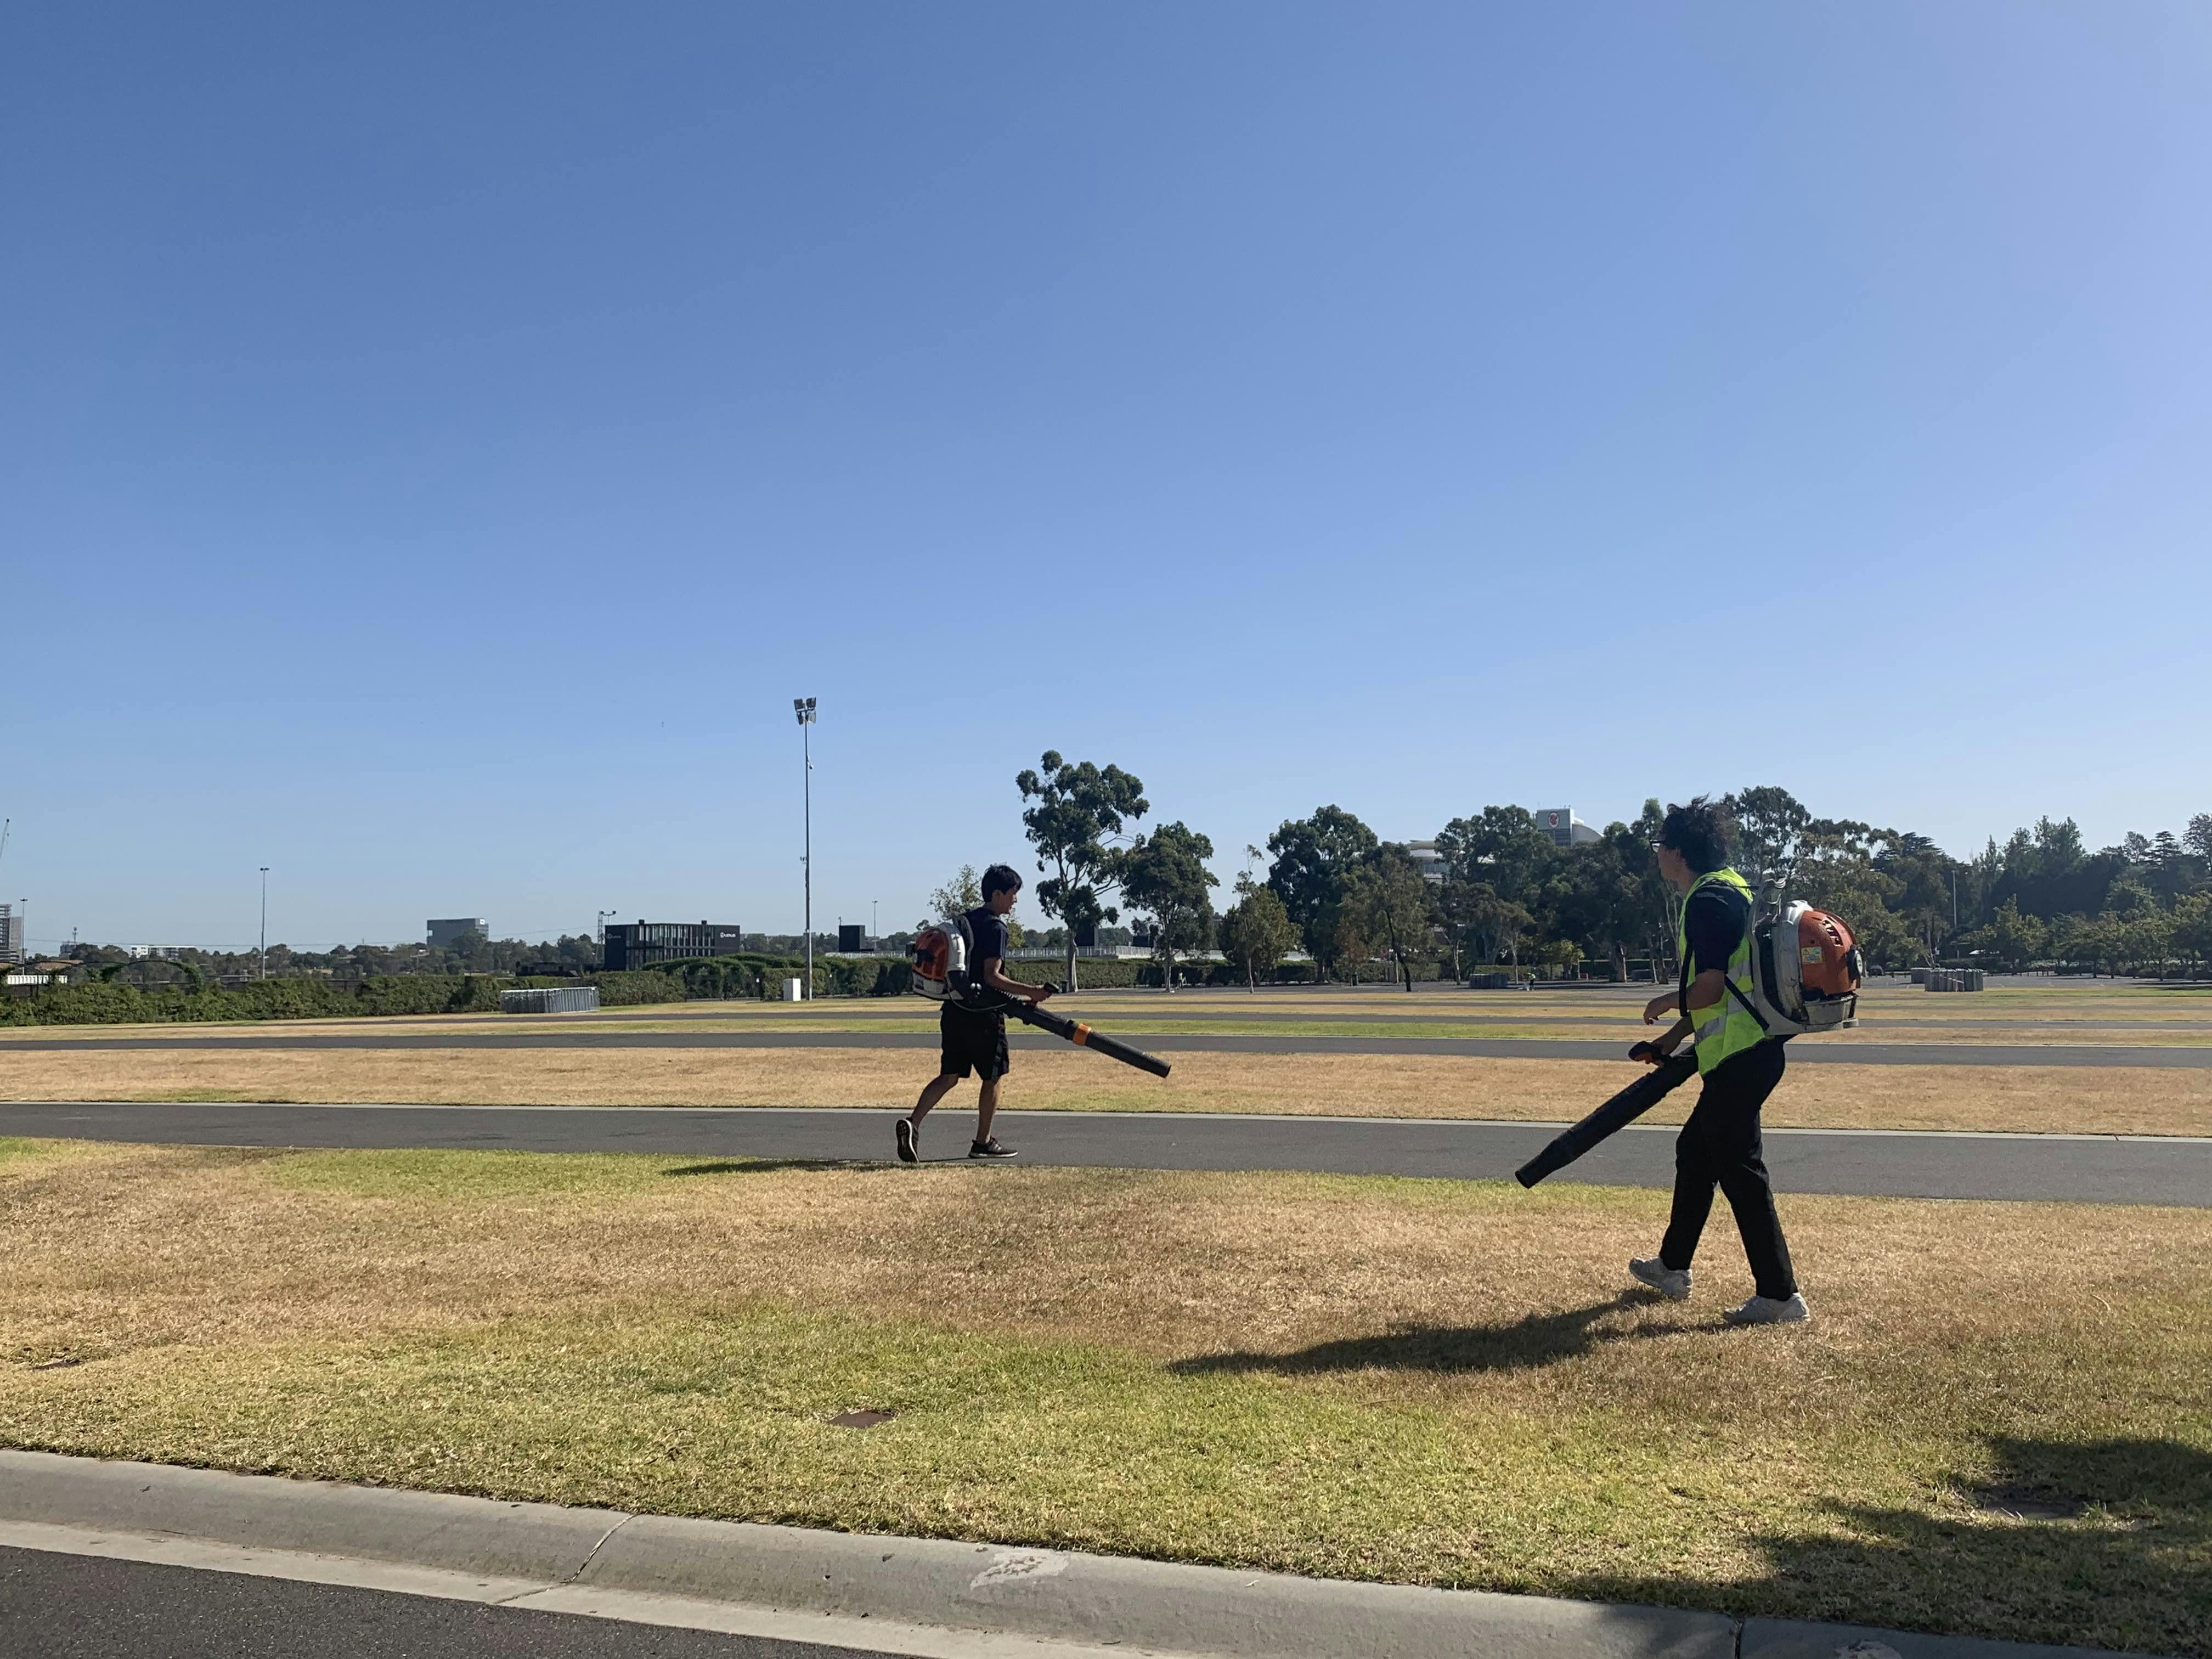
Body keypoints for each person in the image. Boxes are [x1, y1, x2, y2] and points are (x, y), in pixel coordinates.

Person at [1632, 798, 1810, 1325]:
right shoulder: (1731, 887)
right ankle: (1672, 1266)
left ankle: (1780, 1296)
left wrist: (1667, 1002)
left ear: (1677, 851)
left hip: (1741, 1056)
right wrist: (1672, 1039)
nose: (1657, 857)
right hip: (1748, 1051)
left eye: (1658, 847)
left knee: (1742, 1174)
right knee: (1696, 1150)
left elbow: (1709, 987)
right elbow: (1731, 990)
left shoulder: (1708, 901)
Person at [897, 864, 1054, 1163]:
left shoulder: (965, 921)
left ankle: (913, 1124)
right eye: (1012, 895)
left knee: (949, 1076)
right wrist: (1032, 991)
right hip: (984, 1015)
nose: (1015, 901)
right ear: (997, 894)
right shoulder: (996, 927)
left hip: (954, 1010)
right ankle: (982, 1142)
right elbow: (992, 976)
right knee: (993, 1078)